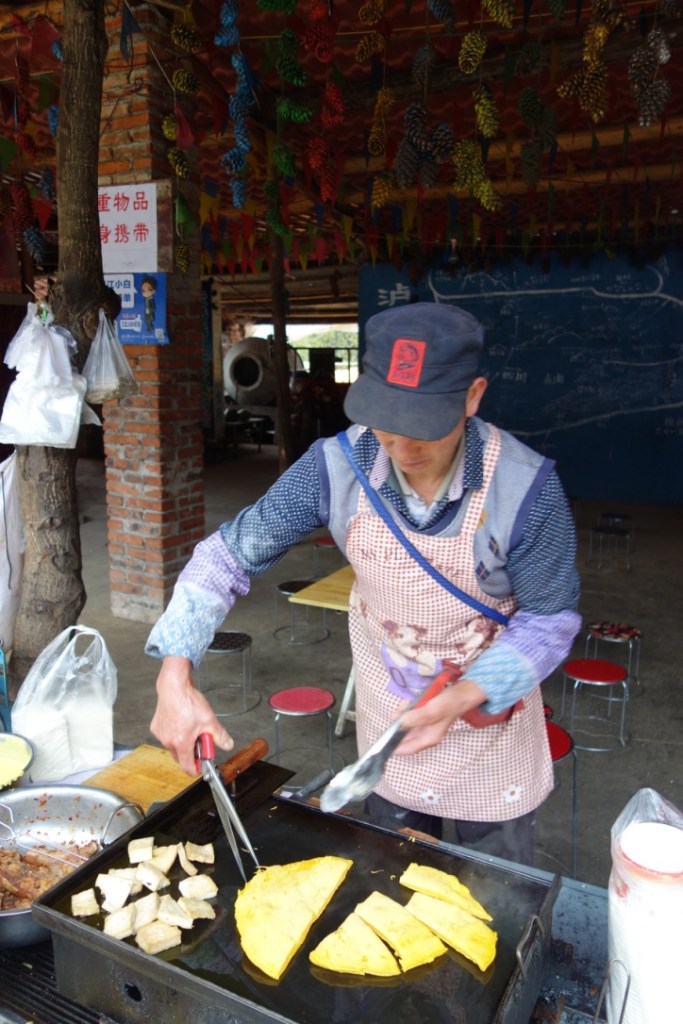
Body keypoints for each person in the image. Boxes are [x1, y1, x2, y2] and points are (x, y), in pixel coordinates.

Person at [146, 302, 581, 866]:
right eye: (386, 422)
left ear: (472, 397)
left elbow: (550, 619)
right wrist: (174, 675)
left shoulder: (524, 488)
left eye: (423, 427)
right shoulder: (336, 468)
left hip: (490, 736)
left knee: (496, 893)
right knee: (390, 879)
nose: (401, 448)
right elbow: (226, 555)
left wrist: (463, 695)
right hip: (389, 732)